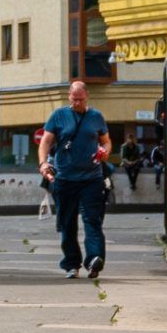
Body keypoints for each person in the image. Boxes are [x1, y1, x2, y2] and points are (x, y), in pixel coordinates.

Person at [38, 77, 112, 279]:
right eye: (73, 98)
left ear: (87, 96)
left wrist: (104, 152)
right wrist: (44, 163)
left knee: (92, 220)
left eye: (80, 99)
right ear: (69, 96)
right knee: (67, 222)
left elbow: (106, 142)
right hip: (65, 179)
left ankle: (95, 260)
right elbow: (45, 142)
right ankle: (72, 263)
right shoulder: (58, 116)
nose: (76, 102)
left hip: (92, 178)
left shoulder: (96, 117)